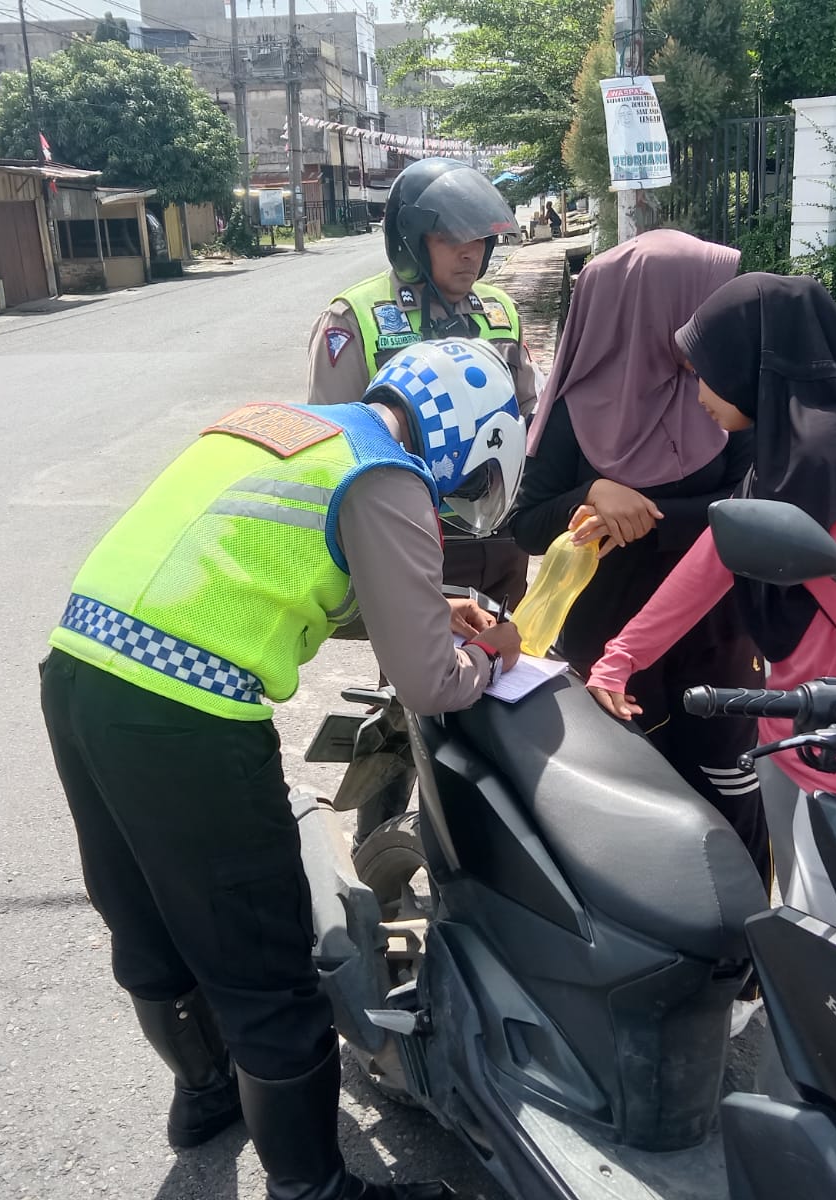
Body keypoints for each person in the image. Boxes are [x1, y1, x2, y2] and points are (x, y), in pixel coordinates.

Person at [40, 339, 526, 1200]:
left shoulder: (279, 424)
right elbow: (429, 682)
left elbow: (262, 572)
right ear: (469, 439)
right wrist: (493, 660)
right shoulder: (388, 477)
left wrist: (420, 603)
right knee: (262, 962)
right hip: (184, 718)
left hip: (79, 671)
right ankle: (313, 1188)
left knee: (145, 914)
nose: (459, 496)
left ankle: (202, 1097)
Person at [586, 273, 836, 928]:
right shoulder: (779, 456)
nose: (697, 395)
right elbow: (714, 560)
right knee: (803, 915)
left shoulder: (825, 459)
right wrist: (622, 655)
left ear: (752, 364)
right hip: (792, 730)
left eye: (706, 373)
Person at [507, 229, 770, 883]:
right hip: (607, 651)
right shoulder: (575, 407)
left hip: (717, 646)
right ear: (652, 313)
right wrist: (590, 492)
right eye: (700, 308)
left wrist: (642, 520)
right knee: (631, 820)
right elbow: (527, 526)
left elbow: (751, 514)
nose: (713, 327)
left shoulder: (729, 401)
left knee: (732, 809)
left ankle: (743, 966)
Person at [307, 157, 539, 607]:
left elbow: (531, 416)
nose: (469, 252)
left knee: (508, 661)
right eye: (450, 238)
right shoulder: (355, 318)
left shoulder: (501, 313)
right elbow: (331, 453)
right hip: (410, 537)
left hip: (503, 532)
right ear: (411, 242)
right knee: (418, 672)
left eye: (479, 239)